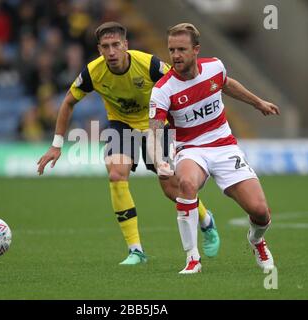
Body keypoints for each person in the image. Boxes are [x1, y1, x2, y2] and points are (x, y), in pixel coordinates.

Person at [37, 22, 220, 265]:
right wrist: (57, 144)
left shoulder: (150, 65)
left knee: (171, 188)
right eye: (105, 47)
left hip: (157, 124)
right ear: (99, 49)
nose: (111, 52)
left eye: (115, 45)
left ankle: (206, 220)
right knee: (116, 174)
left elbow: (180, 88)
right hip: (121, 125)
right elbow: (68, 102)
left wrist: (185, 130)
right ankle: (136, 250)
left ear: (126, 46)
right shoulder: (93, 72)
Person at [148, 23, 279, 274]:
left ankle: (256, 240)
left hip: (224, 146)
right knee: (186, 183)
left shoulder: (214, 67)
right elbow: (153, 129)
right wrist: (160, 161)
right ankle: (192, 259)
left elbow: (226, 84)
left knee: (260, 212)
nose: (175, 55)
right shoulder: (163, 89)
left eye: (181, 49)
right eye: (171, 49)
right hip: (191, 149)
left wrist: (257, 102)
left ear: (196, 50)